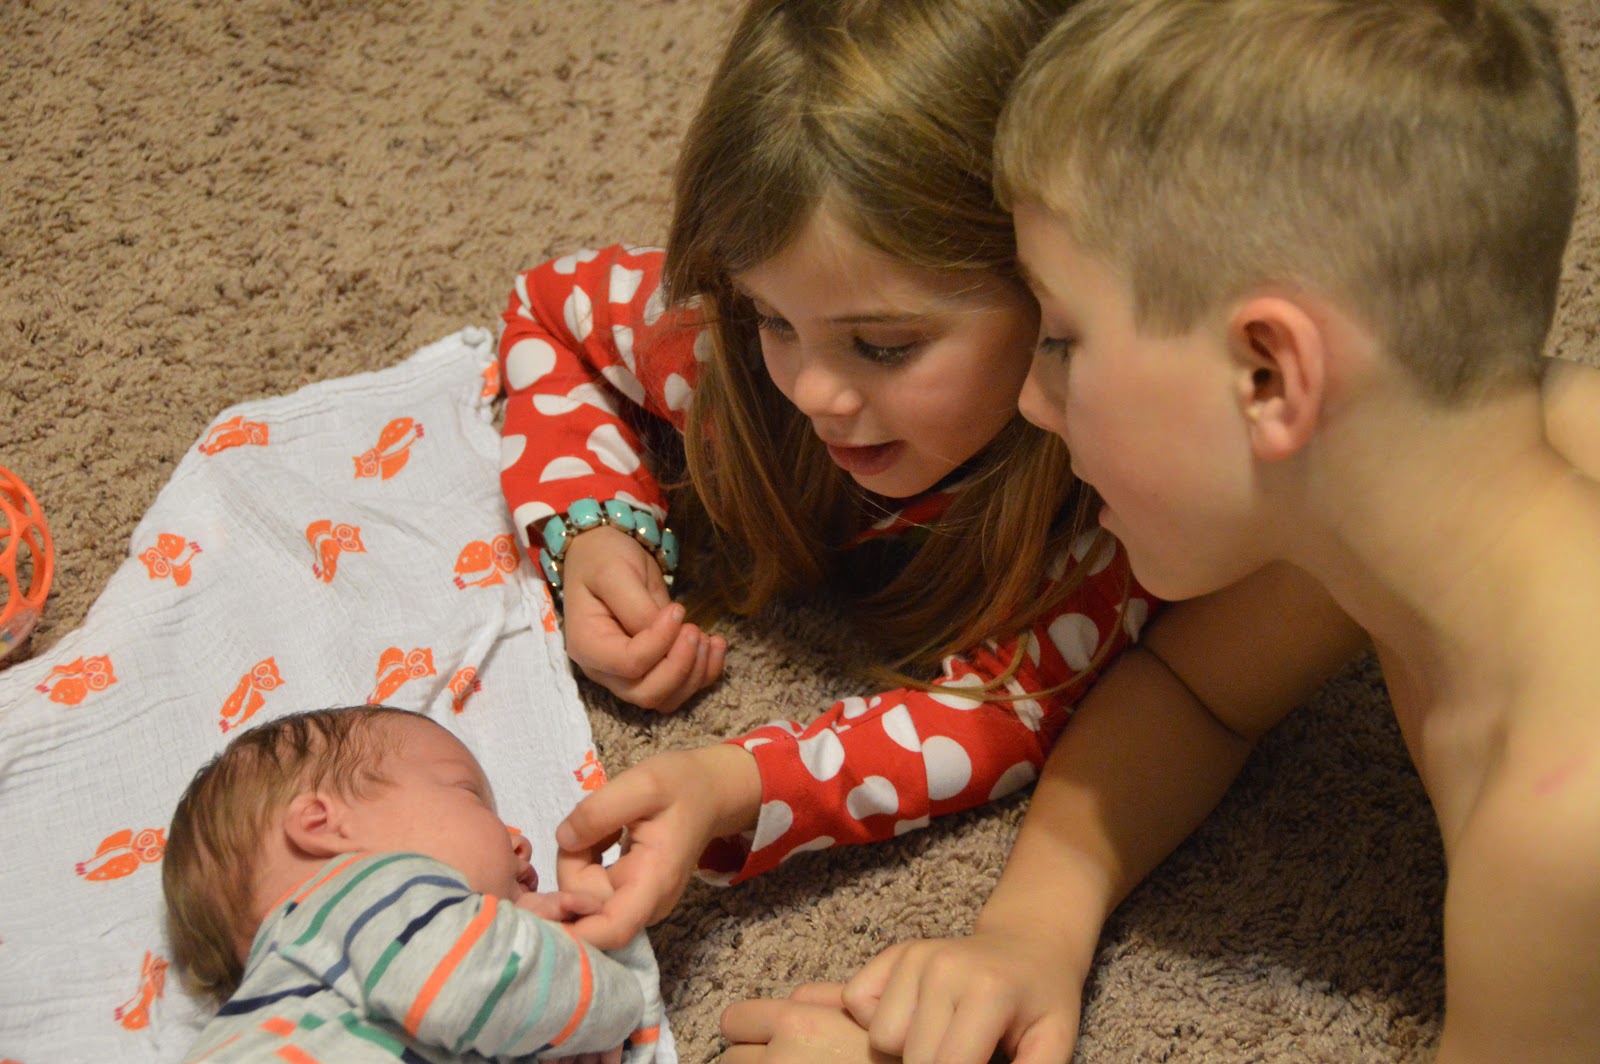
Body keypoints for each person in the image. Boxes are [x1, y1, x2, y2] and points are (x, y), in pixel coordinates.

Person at [742, 1, 1600, 1061]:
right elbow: (1193, 692)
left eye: (1062, 339)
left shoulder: (1561, 828)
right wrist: (1030, 931)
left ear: (1268, 377)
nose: (1032, 403)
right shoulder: (1417, 475)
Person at [499, 0, 1364, 964]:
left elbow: (997, 717)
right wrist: (597, 527)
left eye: (883, 345)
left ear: (1050, 289)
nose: (814, 391)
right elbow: (547, 310)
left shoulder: (1118, 495)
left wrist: (738, 785)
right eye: (771, 317)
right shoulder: (729, 364)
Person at [162, 704, 664, 1064]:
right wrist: (599, 975)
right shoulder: (358, 891)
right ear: (324, 826)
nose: (519, 841)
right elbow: (471, 984)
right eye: (470, 795)